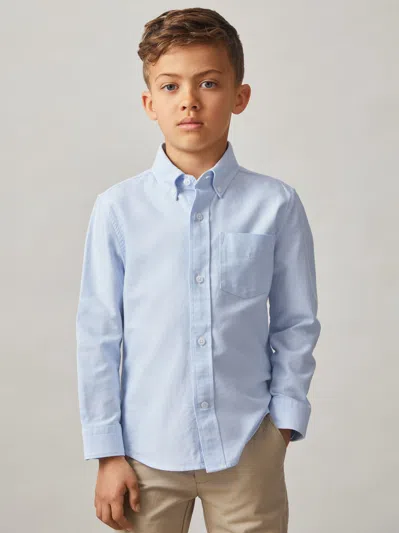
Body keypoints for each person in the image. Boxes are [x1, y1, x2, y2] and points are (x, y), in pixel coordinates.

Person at [75, 7, 322, 533]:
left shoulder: (276, 205)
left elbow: (296, 322)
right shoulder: (118, 209)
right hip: (144, 454)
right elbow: (98, 335)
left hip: (247, 444)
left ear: (239, 96)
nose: (189, 100)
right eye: (170, 86)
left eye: (209, 83)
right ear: (150, 103)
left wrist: (282, 425)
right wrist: (107, 453)